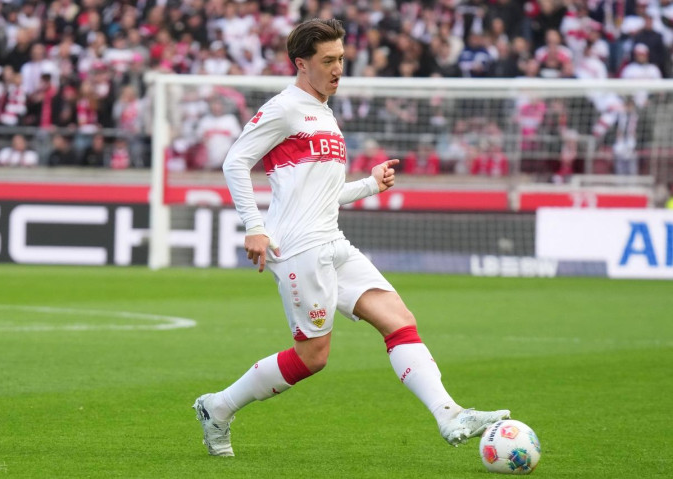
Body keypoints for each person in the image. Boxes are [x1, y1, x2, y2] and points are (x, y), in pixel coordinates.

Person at [193, 18, 510, 457]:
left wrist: (370, 185)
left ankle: (449, 414)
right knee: (313, 356)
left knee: (399, 320)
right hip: (299, 248)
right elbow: (234, 162)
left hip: (332, 240)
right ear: (301, 64)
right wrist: (254, 227)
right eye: (328, 60)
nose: (338, 69)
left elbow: (323, 193)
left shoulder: (325, 113)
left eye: (341, 58)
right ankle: (218, 408)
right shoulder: (285, 108)